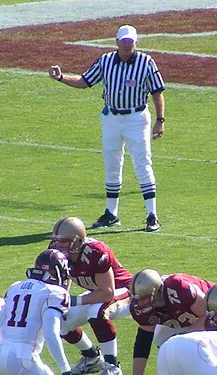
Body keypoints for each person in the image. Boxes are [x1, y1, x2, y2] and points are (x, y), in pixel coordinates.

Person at [49, 24, 166, 232]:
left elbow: (157, 92)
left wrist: (160, 120)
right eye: (124, 42)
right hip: (112, 117)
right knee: (112, 164)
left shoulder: (146, 62)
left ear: (136, 43)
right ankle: (112, 213)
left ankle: (152, 215)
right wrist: (60, 77)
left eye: (130, 42)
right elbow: (85, 81)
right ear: (117, 42)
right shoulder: (105, 61)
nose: (127, 46)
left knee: (142, 164)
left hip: (136, 117)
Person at [50, 216, 133, 375]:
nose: (58, 245)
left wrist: (74, 299)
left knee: (96, 311)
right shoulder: (58, 250)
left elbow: (107, 293)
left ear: (78, 241)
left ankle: (113, 369)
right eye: (56, 240)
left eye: (64, 241)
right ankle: (91, 357)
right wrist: (63, 295)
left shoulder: (95, 252)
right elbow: (65, 274)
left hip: (126, 291)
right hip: (99, 292)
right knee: (60, 319)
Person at [122, 269, 214, 375]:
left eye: (145, 299)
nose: (141, 304)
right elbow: (143, 342)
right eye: (138, 299)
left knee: (200, 346)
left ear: (157, 292)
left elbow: (209, 317)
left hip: (212, 313)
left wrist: (185, 335)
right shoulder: (139, 307)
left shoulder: (179, 288)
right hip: (182, 320)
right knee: (162, 339)